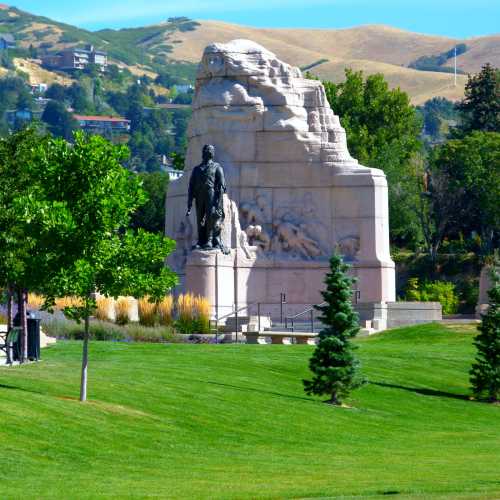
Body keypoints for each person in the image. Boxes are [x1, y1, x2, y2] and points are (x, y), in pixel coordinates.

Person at [186, 144, 227, 251]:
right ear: (203, 153)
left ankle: (209, 240)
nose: (210, 152)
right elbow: (191, 186)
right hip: (199, 195)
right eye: (208, 150)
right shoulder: (196, 169)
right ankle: (200, 240)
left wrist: (218, 202)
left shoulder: (217, 167)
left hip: (211, 194)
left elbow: (222, 185)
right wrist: (189, 202)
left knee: (210, 218)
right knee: (200, 218)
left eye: (212, 150)